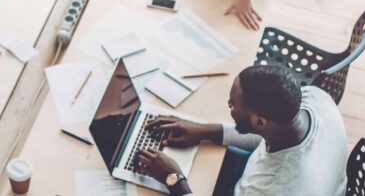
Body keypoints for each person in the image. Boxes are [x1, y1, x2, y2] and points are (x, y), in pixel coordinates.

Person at [133, 65, 347, 195]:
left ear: (260, 122)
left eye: (232, 105)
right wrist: (207, 130)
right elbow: (266, 138)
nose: (229, 105)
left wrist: (174, 179)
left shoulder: (269, 187)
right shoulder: (314, 98)